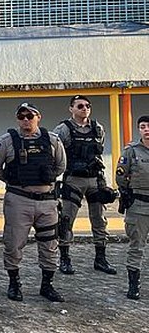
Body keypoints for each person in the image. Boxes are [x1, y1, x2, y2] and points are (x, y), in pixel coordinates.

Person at [0, 102, 67, 302]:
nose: (25, 120)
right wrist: (13, 180)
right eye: (21, 116)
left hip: (47, 201)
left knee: (50, 243)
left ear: (38, 117)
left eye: (29, 116)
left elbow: (60, 166)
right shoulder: (7, 141)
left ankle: (47, 285)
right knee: (14, 243)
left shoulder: (52, 140)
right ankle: (14, 283)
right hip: (19, 200)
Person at [53, 95, 117, 275]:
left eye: (87, 106)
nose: (84, 109)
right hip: (73, 179)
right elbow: (55, 152)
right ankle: (64, 258)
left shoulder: (97, 128)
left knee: (99, 219)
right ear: (71, 109)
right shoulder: (63, 129)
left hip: (95, 179)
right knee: (66, 220)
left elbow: (99, 152)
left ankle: (101, 258)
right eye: (80, 106)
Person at [116, 115, 149, 300]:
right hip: (139, 205)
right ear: (139, 130)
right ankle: (133, 285)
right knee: (137, 246)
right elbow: (120, 176)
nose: (147, 129)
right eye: (143, 126)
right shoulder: (131, 151)